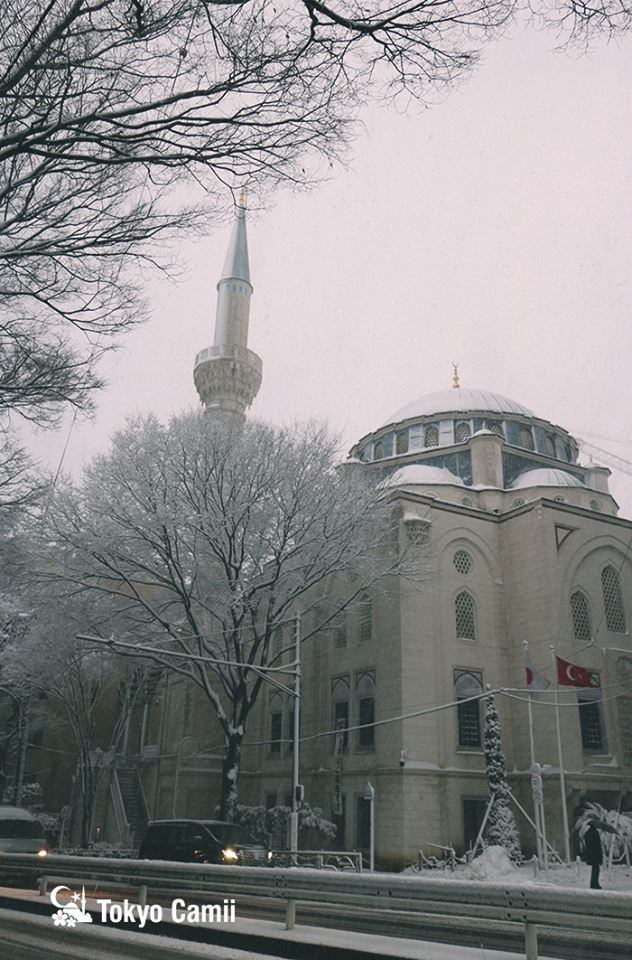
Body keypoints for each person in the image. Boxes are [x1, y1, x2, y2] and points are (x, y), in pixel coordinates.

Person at [583, 822, 603, 890]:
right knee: (596, 869)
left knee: (594, 869)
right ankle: (595, 883)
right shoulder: (595, 833)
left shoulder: (587, 833)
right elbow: (598, 845)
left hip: (590, 853)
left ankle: (593, 883)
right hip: (596, 853)